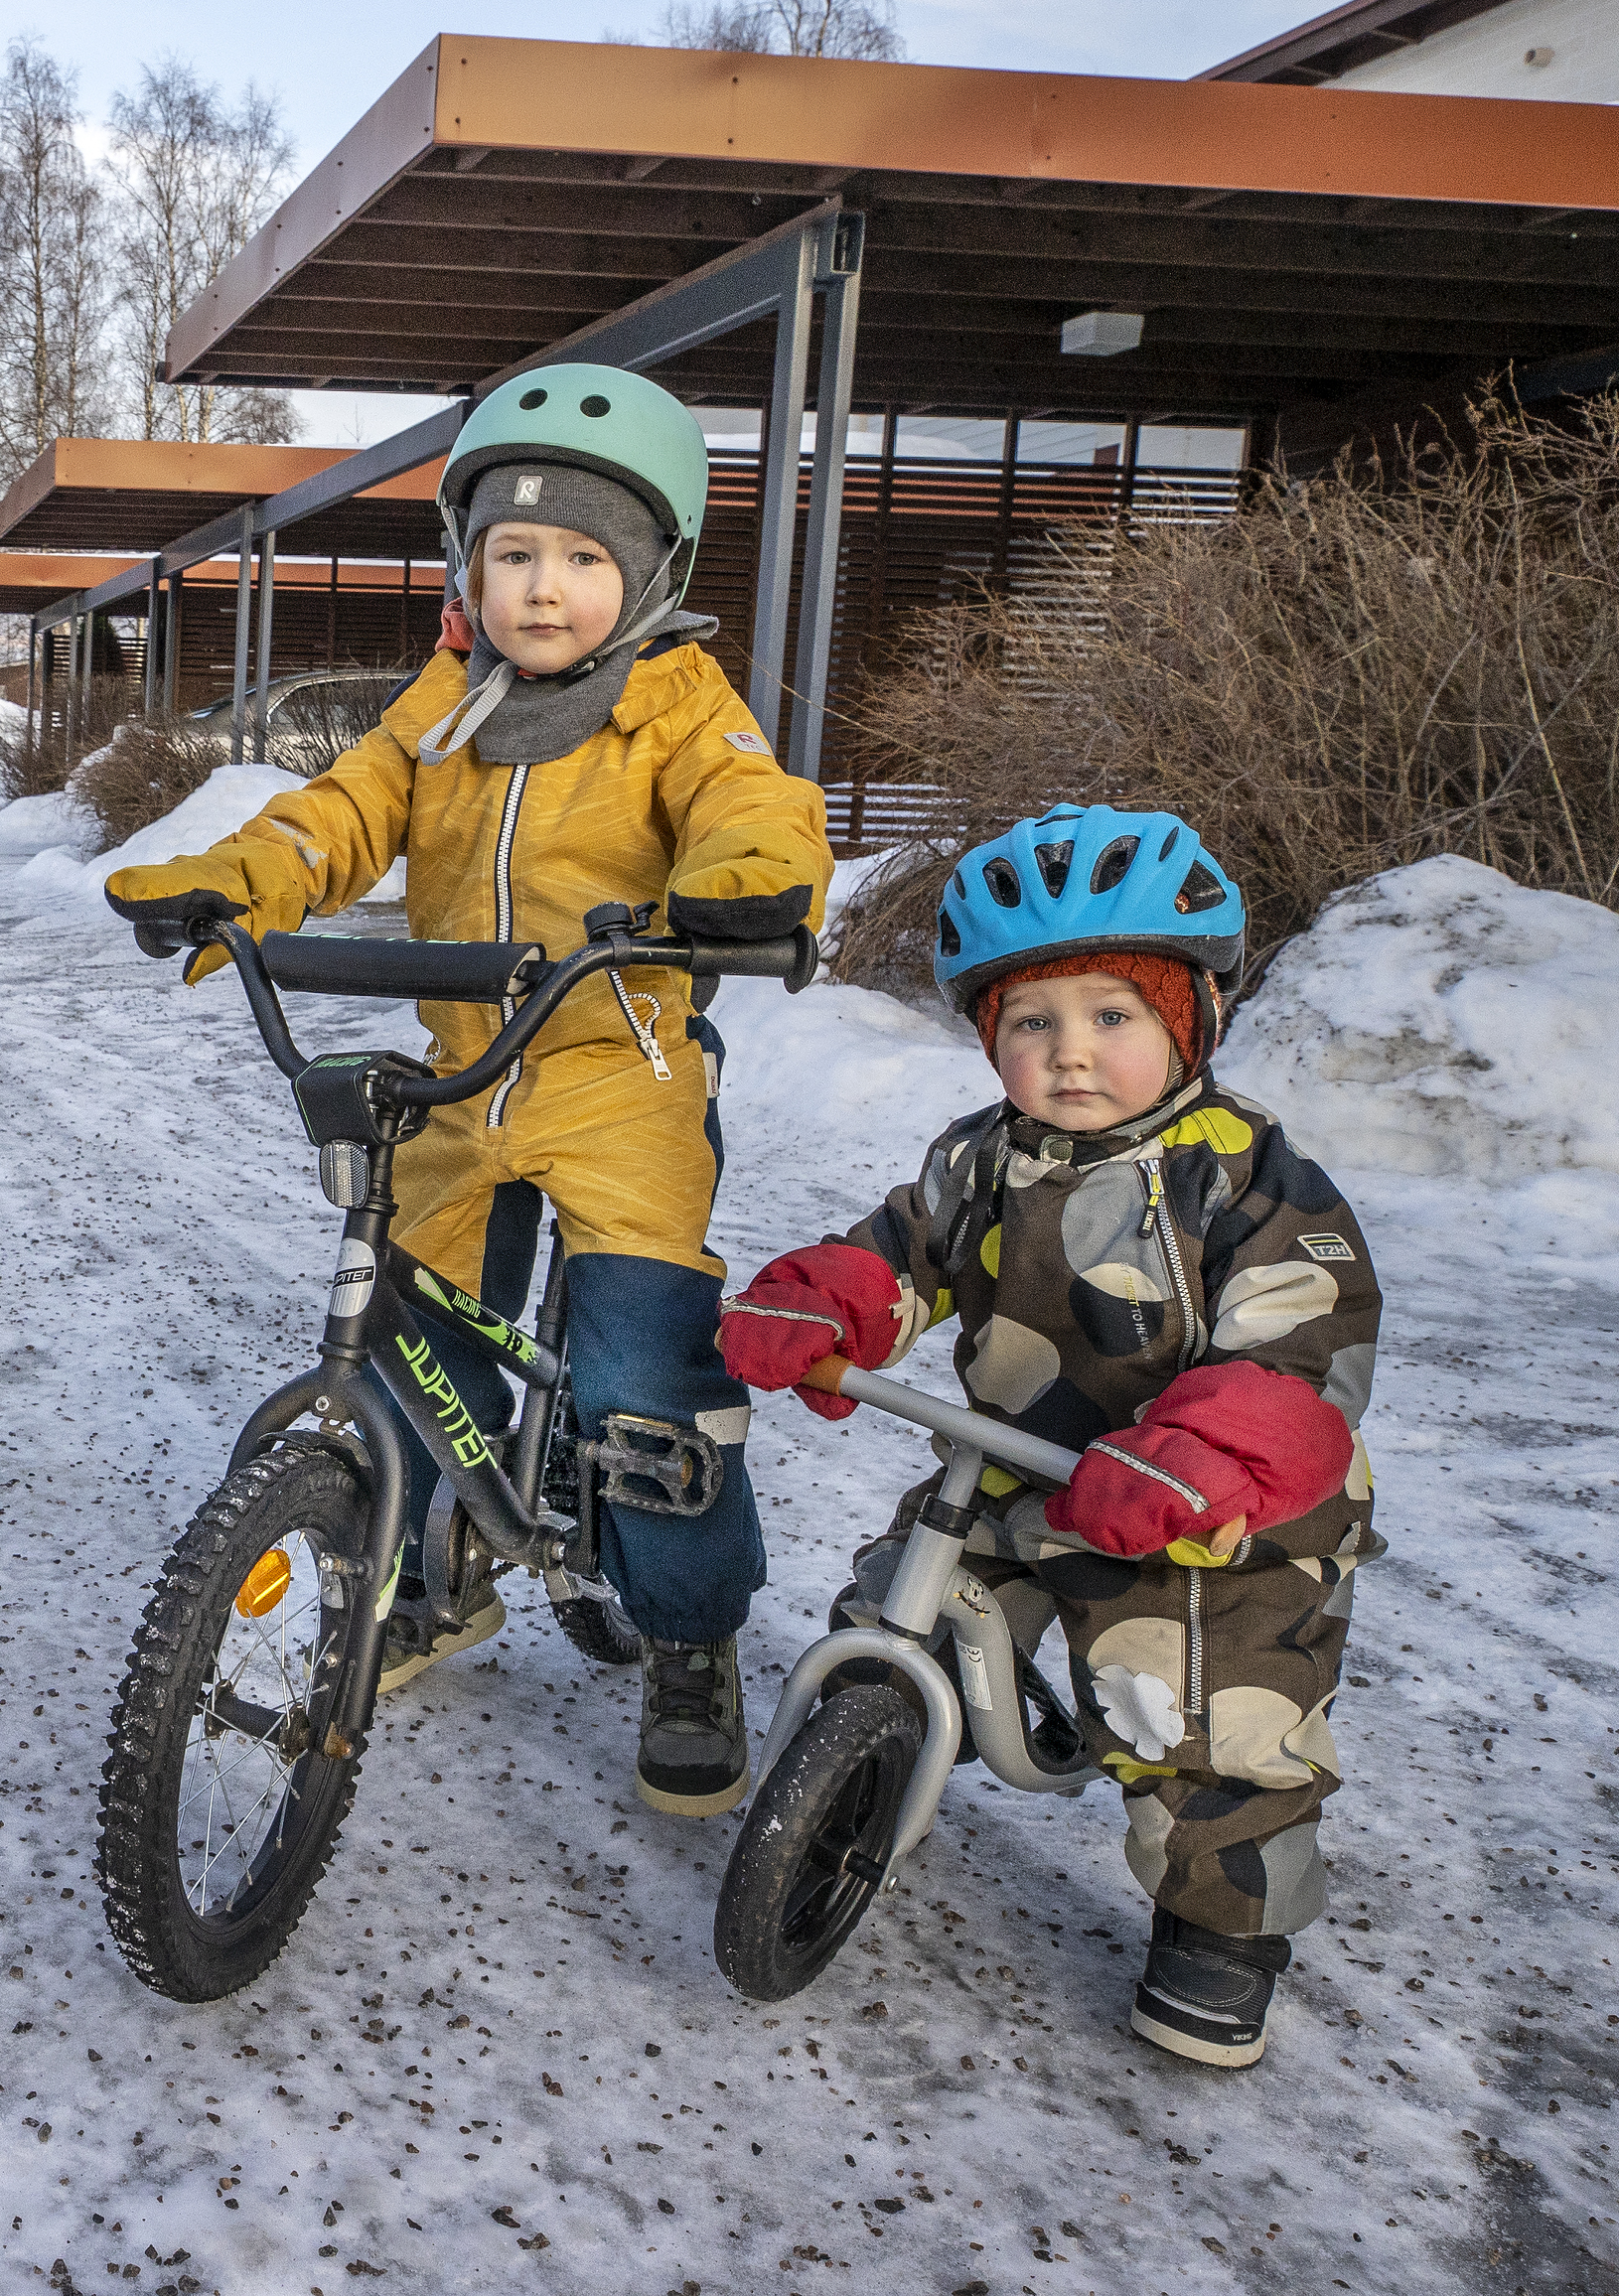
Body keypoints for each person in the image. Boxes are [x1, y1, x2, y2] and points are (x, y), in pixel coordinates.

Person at [101, 363, 831, 1817]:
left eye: (580, 557)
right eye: (513, 554)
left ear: (650, 571)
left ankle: (688, 1634)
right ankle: (427, 1576)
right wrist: (237, 881)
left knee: (644, 1378)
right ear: (468, 566)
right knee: (397, 1340)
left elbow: (756, 806)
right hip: (462, 1074)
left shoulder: (683, 709)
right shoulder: (444, 707)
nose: (543, 588)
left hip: (617, 1069)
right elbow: (344, 810)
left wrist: (741, 889)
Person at [717, 806, 1381, 2069]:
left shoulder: (1248, 1179)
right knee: (885, 1613)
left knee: (1201, 1711)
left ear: (1192, 1021)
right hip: (1018, 1474)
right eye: (1033, 1023)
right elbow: (904, 1248)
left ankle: (1219, 1927)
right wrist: (830, 1296)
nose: (1070, 1055)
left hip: (1210, 1522)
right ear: (990, 1037)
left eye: (1113, 1017)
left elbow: (1307, 1344)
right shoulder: (984, 1159)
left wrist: (1200, 1455)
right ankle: (879, 1755)